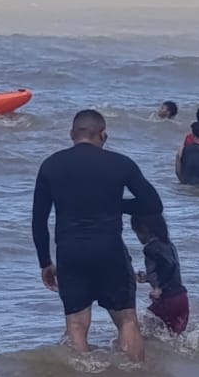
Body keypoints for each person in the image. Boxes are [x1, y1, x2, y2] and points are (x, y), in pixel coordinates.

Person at [32, 109, 163, 362]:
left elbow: (39, 221)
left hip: (70, 252)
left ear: (71, 134)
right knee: (126, 320)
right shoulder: (121, 163)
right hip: (110, 249)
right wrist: (115, 204)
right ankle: (135, 376)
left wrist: (45, 262)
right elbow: (153, 204)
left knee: (76, 324)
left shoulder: (50, 165)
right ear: (103, 135)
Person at [132, 214, 188, 335]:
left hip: (168, 300)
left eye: (136, 232)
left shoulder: (150, 248)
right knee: (176, 337)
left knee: (141, 328)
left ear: (145, 229)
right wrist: (147, 278)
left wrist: (159, 288)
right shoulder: (169, 245)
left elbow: (169, 265)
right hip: (181, 298)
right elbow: (169, 269)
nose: (137, 237)